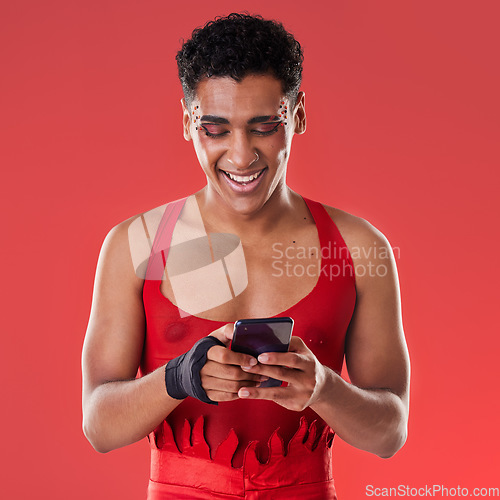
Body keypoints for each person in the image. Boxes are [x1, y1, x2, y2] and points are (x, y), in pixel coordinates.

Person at [82, 12, 410, 499]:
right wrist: (176, 377)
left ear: (297, 114)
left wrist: (324, 388)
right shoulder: (135, 245)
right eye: (216, 129)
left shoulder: (362, 249)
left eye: (263, 127)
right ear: (188, 121)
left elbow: (390, 435)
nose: (240, 156)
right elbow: (99, 429)